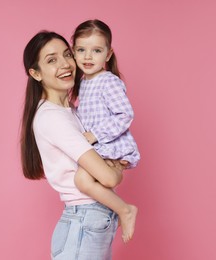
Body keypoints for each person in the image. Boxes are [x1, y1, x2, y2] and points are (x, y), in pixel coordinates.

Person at [20, 31, 128, 259]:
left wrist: (112, 167)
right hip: (84, 221)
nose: (65, 64)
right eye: (51, 60)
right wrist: (117, 170)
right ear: (35, 73)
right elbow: (108, 178)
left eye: (67, 54)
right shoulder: (52, 117)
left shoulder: (71, 112)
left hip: (90, 221)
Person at [71, 19, 140, 243]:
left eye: (96, 50)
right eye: (81, 50)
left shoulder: (108, 81)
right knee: (88, 187)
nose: (88, 57)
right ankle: (117, 211)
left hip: (109, 145)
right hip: (96, 148)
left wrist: (95, 135)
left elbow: (125, 114)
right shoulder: (82, 82)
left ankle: (126, 210)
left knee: (83, 181)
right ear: (73, 52)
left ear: (108, 55)